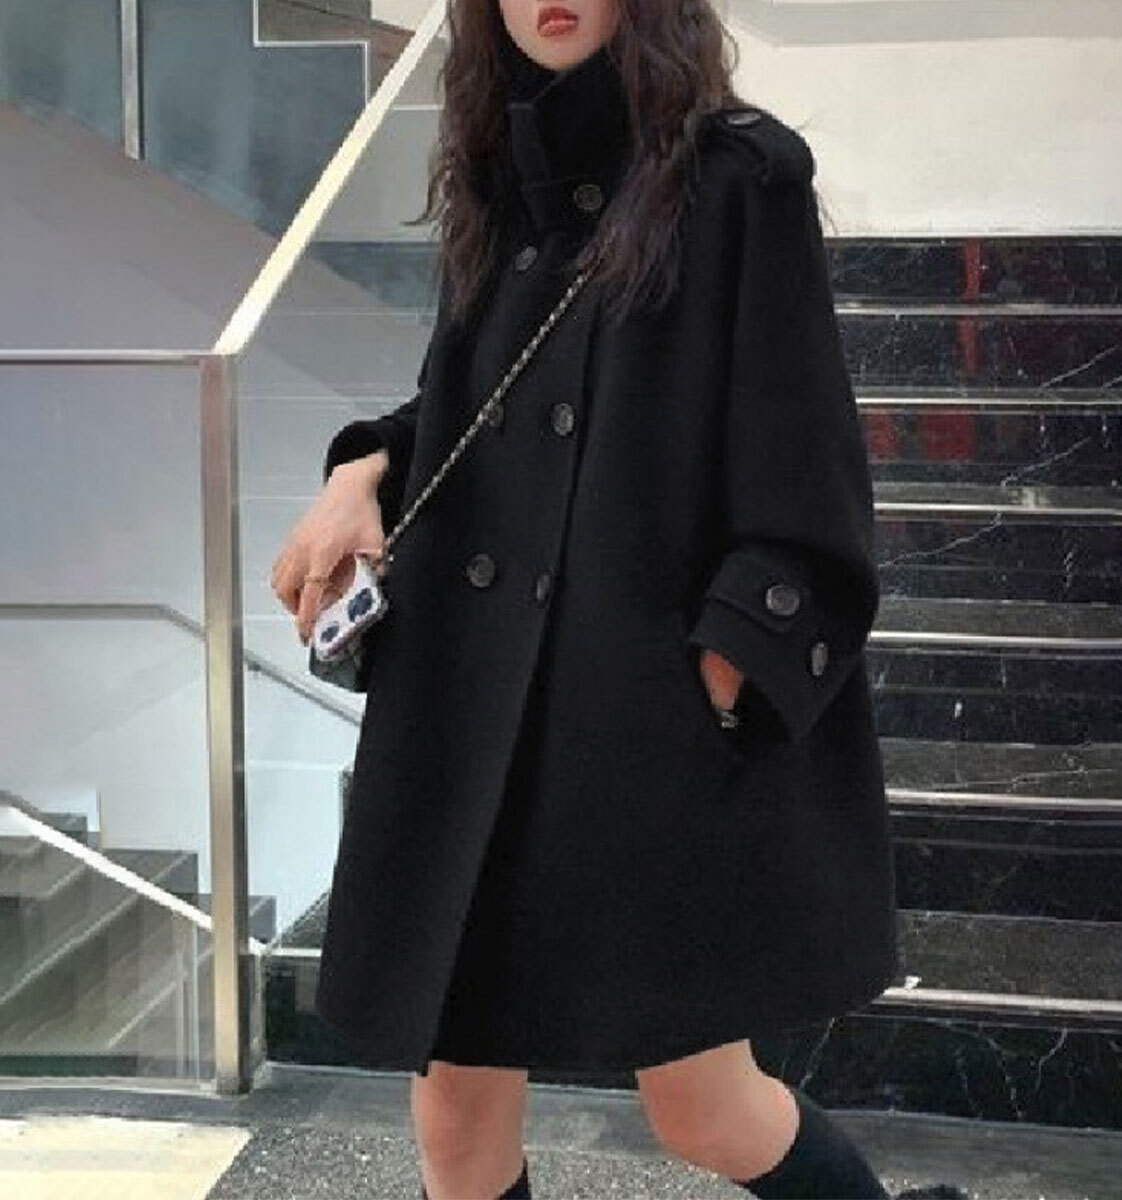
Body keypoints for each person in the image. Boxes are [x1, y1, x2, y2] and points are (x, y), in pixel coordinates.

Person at [271, 3, 964, 1198]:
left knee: (701, 1106)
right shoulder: (497, 178)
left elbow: (805, 470)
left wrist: (714, 684)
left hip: (633, 723)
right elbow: (466, 410)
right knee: (454, 1119)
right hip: (476, 715)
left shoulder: (739, 178)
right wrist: (361, 470)